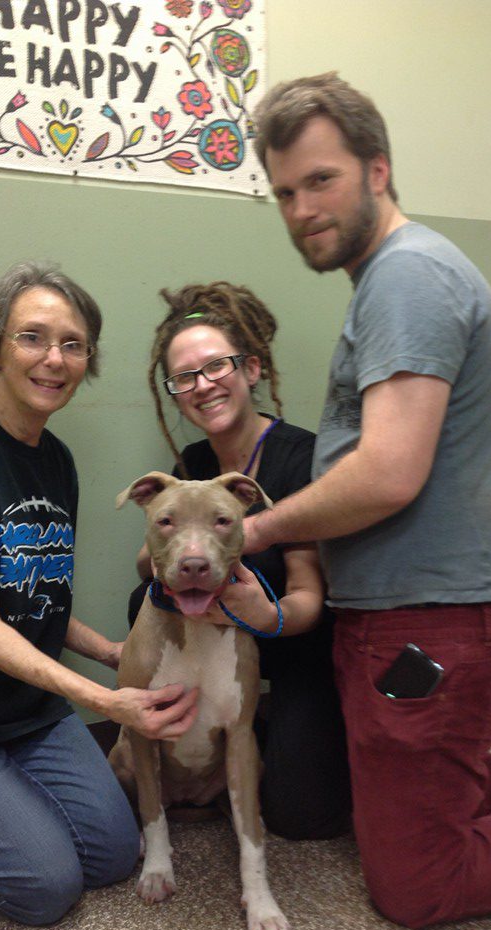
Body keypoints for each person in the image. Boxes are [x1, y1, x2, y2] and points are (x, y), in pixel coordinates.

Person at [242, 73, 491, 926]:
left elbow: (389, 472)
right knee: (419, 791)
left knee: (416, 883)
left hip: (431, 620)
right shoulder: (395, 277)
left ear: (377, 169)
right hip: (412, 612)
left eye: (320, 180)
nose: (301, 209)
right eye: (284, 192)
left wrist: (258, 527)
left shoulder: (407, 278)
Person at [0, 262, 199, 926]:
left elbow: (33, 596)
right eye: (32, 338)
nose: (55, 359)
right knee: (42, 888)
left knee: (112, 855)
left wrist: (112, 653)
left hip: (18, 707)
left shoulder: (53, 458)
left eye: (72, 344)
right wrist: (109, 701)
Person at [132, 280, 351, 841]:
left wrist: (265, 614)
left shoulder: (301, 457)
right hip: (217, 645)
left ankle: (277, 722)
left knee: (302, 816)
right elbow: (155, 556)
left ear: (252, 369)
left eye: (216, 367)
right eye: (184, 377)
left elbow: (309, 598)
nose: (201, 386)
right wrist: (161, 554)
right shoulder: (193, 463)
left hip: (295, 645)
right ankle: (214, 732)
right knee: (144, 598)